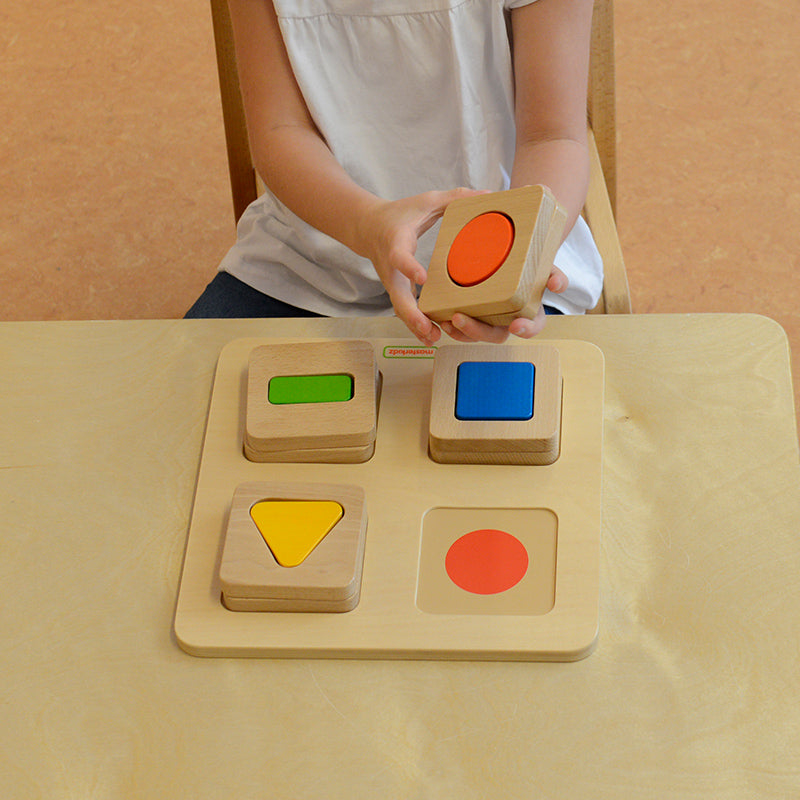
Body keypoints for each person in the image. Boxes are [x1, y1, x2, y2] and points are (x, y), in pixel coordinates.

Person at [186, 0, 603, 345]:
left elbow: (552, 137)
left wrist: (521, 263)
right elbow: (281, 131)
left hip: (502, 260)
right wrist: (368, 225)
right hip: (307, 266)